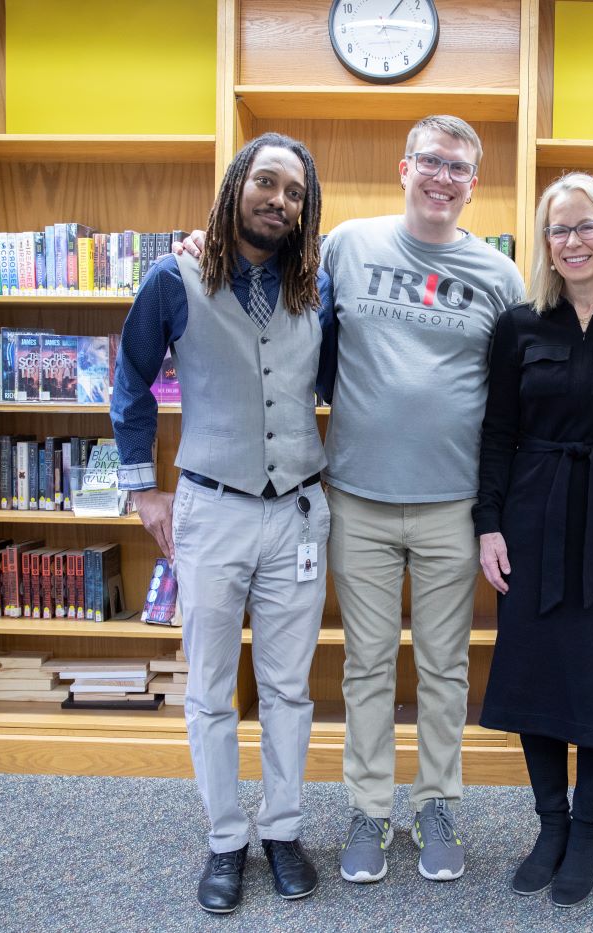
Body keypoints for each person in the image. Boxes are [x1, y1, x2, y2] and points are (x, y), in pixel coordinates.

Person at [184, 115, 526, 883]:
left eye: (460, 169)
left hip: (452, 504)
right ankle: (369, 810)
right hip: (358, 502)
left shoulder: (500, 277)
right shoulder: (346, 245)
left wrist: (495, 513)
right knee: (366, 666)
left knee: (444, 668)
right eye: (431, 161)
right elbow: (269, 285)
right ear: (405, 168)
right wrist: (197, 250)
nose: (443, 177)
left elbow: (509, 404)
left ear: (474, 185)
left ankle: (437, 802)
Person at [110, 132, 332, 913]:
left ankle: (283, 828)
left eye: (296, 192)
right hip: (209, 508)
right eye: (267, 182)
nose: (281, 199)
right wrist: (143, 489)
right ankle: (225, 838)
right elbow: (130, 379)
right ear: (237, 184)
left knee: (288, 688)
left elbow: (341, 375)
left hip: (299, 513)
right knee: (208, 688)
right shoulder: (174, 277)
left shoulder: (317, 288)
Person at [473, 173, 593, 908]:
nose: (571, 241)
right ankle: (549, 825)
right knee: (540, 671)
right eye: (558, 229)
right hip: (533, 510)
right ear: (544, 243)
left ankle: (587, 830)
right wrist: (488, 523)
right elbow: (498, 432)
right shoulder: (519, 326)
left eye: (585, 227)